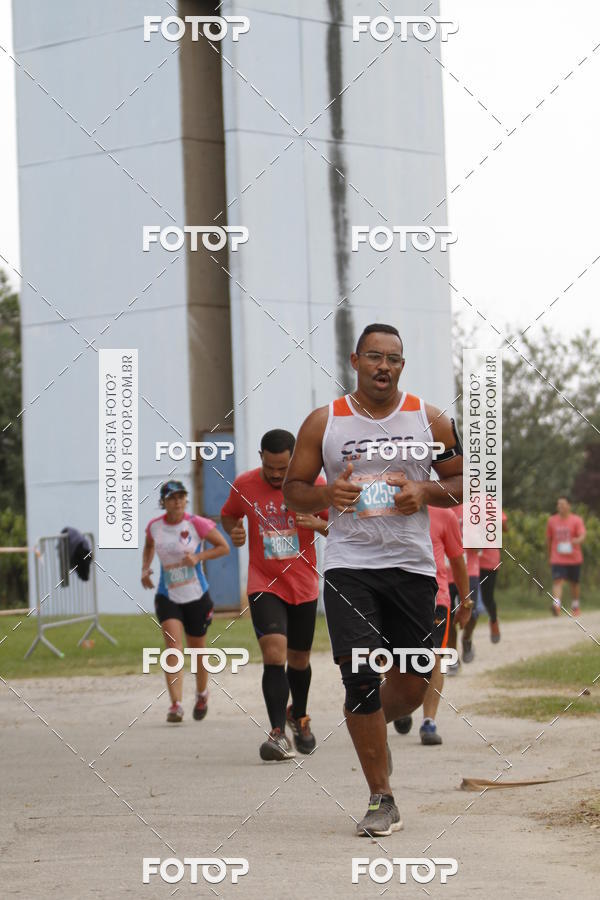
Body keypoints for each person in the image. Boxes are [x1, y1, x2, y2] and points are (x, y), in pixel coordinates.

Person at [283, 323, 464, 837]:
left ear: (402, 366)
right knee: (359, 675)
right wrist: (326, 495)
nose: (384, 366)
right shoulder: (325, 422)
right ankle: (381, 797)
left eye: (393, 359)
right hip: (350, 564)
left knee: (412, 684)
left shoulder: (430, 419)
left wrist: (424, 492)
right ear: (355, 360)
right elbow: (293, 489)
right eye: (374, 357)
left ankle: (368, 730)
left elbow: (461, 484)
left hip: (411, 566)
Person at [221, 429, 328, 761]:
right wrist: (234, 531)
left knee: (299, 661)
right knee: (274, 652)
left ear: (294, 460)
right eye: (270, 468)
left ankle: (300, 715)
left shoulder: (314, 486)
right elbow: (228, 514)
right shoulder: (245, 484)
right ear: (261, 458)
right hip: (264, 582)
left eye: (283, 468)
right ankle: (278, 733)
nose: (277, 475)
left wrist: (317, 524)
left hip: (303, 584)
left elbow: (340, 527)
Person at [141, 480, 230, 723]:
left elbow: (223, 547)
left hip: (196, 595)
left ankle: (202, 694)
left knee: (197, 650)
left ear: (186, 499)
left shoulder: (196, 523)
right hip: (168, 595)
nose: (177, 501)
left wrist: (199, 557)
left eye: (181, 497)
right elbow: (149, 546)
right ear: (163, 502)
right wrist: (145, 568)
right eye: (172, 498)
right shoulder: (155, 527)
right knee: (173, 647)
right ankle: (176, 704)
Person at [393, 505, 471, 744]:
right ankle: (400, 704)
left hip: (436, 599)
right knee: (397, 656)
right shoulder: (390, 510)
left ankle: (429, 721)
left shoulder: (445, 515)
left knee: (436, 656)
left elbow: (457, 560)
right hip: (397, 597)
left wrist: (465, 602)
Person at [445, 504, 481, 672]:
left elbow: (481, 546)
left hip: (469, 570)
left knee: (472, 612)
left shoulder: (474, 509)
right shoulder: (435, 507)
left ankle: (467, 638)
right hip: (443, 573)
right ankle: (453, 658)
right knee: (447, 616)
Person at [547, 495, 586, 617]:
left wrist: (577, 540)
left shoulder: (576, 520)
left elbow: (582, 535)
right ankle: (556, 605)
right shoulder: (552, 520)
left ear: (569, 505)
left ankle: (575, 606)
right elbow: (549, 539)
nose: (560, 506)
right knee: (558, 581)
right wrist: (550, 554)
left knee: (574, 583)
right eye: (558, 504)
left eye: (563, 504)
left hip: (574, 558)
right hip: (557, 557)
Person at [478, 510, 508, 642]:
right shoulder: (463, 505)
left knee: (487, 597)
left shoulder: (491, 506)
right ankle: (466, 637)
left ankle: (494, 621)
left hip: (489, 560)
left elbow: (504, 527)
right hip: (468, 560)